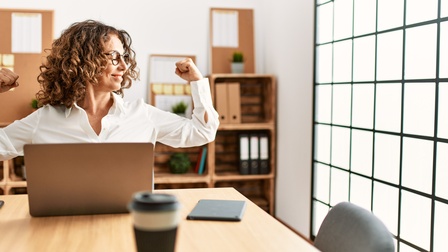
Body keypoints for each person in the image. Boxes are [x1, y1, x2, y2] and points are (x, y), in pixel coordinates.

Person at [0, 20, 219, 161]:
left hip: (126, 227)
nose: (124, 66)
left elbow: (203, 132)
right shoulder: (45, 120)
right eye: (114, 57)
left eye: (124, 57)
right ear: (84, 61)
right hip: (64, 228)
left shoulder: (142, 115)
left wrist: (197, 82)